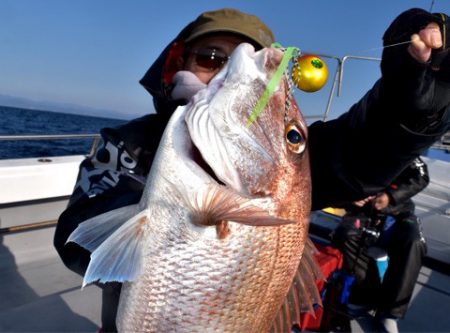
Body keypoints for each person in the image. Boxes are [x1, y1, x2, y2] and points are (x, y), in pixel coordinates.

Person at [53, 7, 450, 332]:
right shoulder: (128, 141)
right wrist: (170, 212)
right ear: (178, 63)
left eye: (293, 138)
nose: (230, 69)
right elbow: (76, 240)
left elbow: (354, 159)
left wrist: (408, 112)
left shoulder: (297, 170)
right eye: (210, 58)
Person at [331, 157, 429, 333]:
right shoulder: (347, 144)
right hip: (361, 215)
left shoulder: (401, 143)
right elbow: (331, 181)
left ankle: (390, 313)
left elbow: (421, 175)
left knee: (414, 242)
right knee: (345, 236)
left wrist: (391, 196)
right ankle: (362, 300)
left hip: (399, 213)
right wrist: (349, 199)